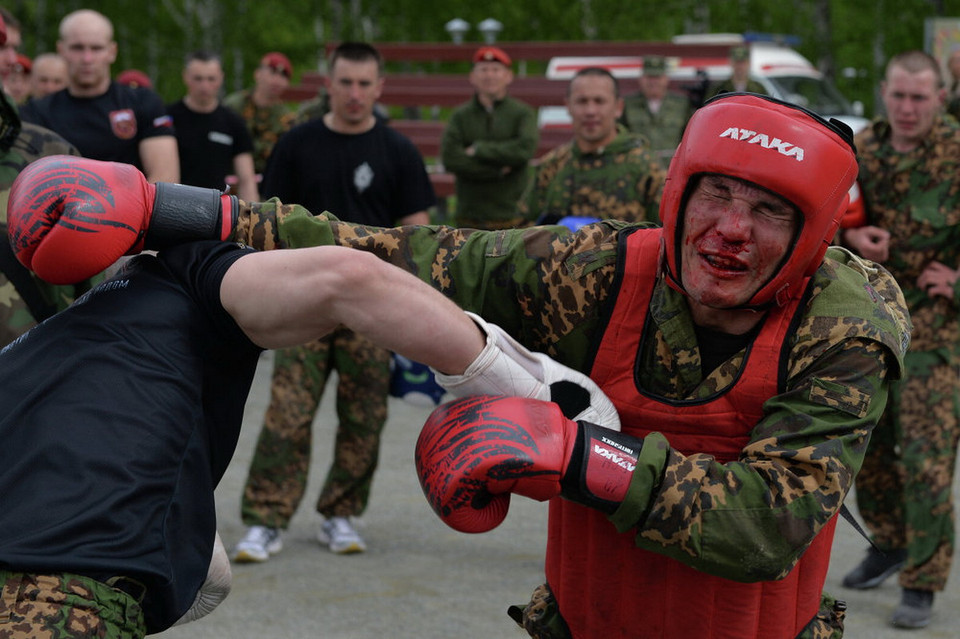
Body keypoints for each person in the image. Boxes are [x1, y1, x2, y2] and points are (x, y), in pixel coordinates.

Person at [25, 93, 912, 638]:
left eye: (767, 211)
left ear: (811, 238)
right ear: (680, 191)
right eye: (715, 193)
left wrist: (578, 457)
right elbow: (414, 254)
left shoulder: (845, 321)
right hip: (584, 622)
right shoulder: (609, 269)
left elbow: (773, 521)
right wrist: (179, 211)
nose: (730, 229)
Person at [4, 153, 616, 639]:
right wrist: (532, 388)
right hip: (60, 598)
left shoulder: (28, 354)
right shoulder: (183, 275)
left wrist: (185, 549)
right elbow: (349, 278)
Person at [231, 41, 435, 561]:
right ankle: (265, 519)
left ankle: (341, 514)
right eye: (345, 82)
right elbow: (269, 224)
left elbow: (419, 235)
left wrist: (415, 301)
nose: (354, 93)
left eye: (365, 83)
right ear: (329, 83)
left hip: (374, 307)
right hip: (304, 300)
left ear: (380, 87)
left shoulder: (399, 151)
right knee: (288, 414)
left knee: (364, 413)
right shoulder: (297, 143)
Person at [838, 50, 960, 630]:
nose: (908, 108)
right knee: (869, 444)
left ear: (941, 97)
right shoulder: (862, 150)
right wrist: (854, 232)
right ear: (884, 91)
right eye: (899, 95)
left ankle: (924, 581)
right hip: (874, 312)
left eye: (920, 97)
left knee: (926, 458)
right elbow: (827, 211)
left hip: (939, 327)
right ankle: (889, 544)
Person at [0, 13, 90, 348]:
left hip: (32, 369)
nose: (12, 61)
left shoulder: (49, 153)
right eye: (2, 48)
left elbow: (89, 284)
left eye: (13, 48)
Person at [20, 9, 178, 183]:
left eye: (96, 48)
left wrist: (118, 209)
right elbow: (27, 182)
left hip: (132, 209)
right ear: (61, 50)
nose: (87, 58)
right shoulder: (37, 112)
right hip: (60, 209)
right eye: (77, 48)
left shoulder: (143, 102)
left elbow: (165, 180)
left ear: (112, 51)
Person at [519, 66, 664, 227]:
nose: (590, 111)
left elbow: (665, 235)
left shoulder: (645, 167)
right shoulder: (552, 166)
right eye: (582, 101)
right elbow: (524, 229)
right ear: (568, 106)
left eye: (599, 101)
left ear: (618, 108)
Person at [440, 45, 538, 230]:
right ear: (472, 77)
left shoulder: (522, 113)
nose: (489, 75)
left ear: (508, 76)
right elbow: (451, 158)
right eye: (483, 69)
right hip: (469, 219)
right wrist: (497, 171)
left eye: (496, 70)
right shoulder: (460, 116)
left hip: (512, 217)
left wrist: (479, 150)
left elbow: (524, 150)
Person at [167, 50, 259, 202]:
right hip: (174, 205)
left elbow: (247, 180)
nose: (205, 86)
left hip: (216, 210)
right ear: (186, 77)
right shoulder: (168, 119)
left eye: (211, 79)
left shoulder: (233, 122)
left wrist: (252, 219)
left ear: (221, 78)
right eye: (198, 78)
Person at [223, 51, 296, 176]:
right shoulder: (233, 106)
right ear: (257, 74)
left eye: (283, 76)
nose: (277, 80)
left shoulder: (287, 119)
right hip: (228, 179)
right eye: (272, 73)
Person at [621, 54, 693, 167]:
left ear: (666, 79)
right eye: (649, 77)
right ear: (641, 79)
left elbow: (690, 139)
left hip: (671, 170)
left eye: (657, 77)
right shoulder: (627, 104)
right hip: (637, 169)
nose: (653, 82)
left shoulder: (682, 105)